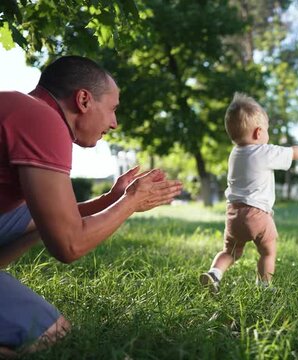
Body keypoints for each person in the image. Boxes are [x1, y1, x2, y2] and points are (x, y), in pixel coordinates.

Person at [0, 56, 183, 356]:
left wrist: (111, 199)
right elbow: (68, 246)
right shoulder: (43, 121)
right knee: (53, 334)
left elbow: (54, 218)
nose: (114, 122)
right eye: (112, 109)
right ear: (84, 99)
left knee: (36, 221)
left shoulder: (24, 110)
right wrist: (131, 201)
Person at [199, 93, 298, 293]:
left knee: (230, 252)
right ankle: (264, 286)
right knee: (268, 251)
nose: (268, 135)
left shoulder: (235, 154)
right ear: (258, 133)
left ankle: (214, 273)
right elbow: (293, 152)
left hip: (234, 215)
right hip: (257, 215)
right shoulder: (264, 151)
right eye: (267, 131)